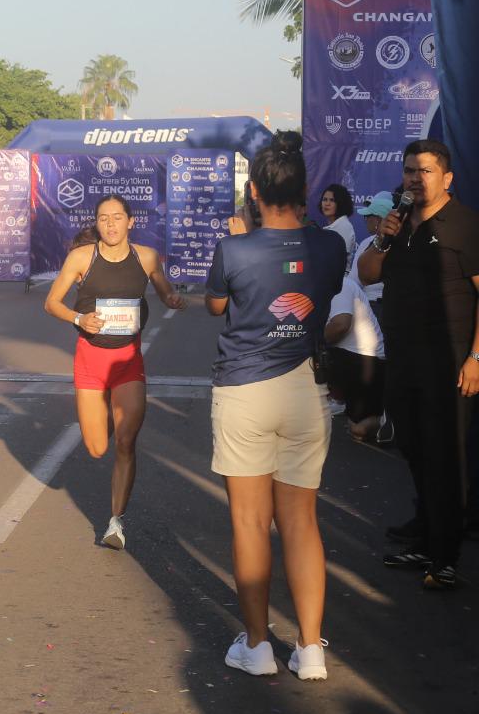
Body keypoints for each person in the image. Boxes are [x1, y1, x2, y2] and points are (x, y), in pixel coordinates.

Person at [205, 132, 346, 680]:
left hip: (244, 389)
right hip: (305, 388)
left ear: (255, 191)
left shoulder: (234, 248)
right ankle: (310, 649)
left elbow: (218, 303)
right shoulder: (330, 246)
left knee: (249, 520)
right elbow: (327, 291)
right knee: (302, 521)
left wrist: (243, 236)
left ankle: (258, 646)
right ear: (306, 191)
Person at [357, 139, 479, 592]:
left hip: (450, 364)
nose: (414, 178)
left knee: (446, 456)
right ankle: (427, 538)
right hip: (404, 360)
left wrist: (477, 357)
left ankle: (444, 556)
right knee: (412, 446)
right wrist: (385, 237)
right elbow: (368, 273)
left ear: (447, 178)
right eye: (409, 170)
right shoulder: (399, 224)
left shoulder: (464, 225)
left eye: (424, 171)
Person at [43, 194, 184, 549]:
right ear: (97, 223)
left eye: (117, 217)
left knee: (125, 441)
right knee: (95, 447)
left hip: (127, 360)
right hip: (91, 359)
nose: (110, 224)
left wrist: (172, 299)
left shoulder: (146, 257)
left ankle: (115, 522)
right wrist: (80, 318)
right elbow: (51, 302)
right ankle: (103, 408)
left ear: (130, 222)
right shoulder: (81, 258)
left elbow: (164, 289)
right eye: (103, 218)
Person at [324, 275, 386, 444]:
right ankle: (337, 399)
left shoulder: (340, 284)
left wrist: (311, 342)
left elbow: (340, 325)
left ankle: (390, 416)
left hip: (365, 358)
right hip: (348, 356)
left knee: (359, 429)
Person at [348, 191, 392, 321]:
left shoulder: (369, 242)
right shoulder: (404, 241)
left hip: (371, 309)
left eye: (368, 216)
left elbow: (354, 283)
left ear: (378, 219)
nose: (366, 220)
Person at [318, 183, 356, 257]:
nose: (327, 204)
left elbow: (339, 257)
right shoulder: (332, 226)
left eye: (332, 200)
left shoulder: (344, 226)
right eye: (324, 199)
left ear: (340, 203)